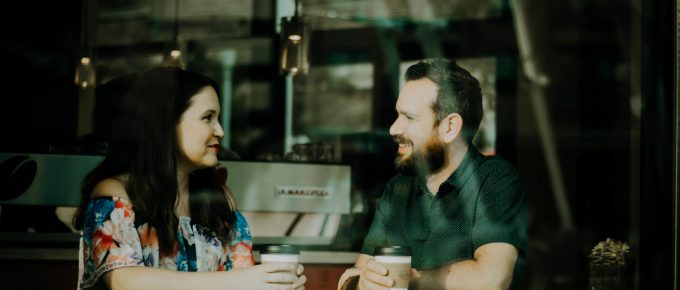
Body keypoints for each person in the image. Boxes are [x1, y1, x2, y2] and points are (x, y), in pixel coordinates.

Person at [73, 67, 307, 290]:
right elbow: (124, 281)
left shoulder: (219, 200)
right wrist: (239, 281)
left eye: (218, 118)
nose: (220, 131)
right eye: (208, 117)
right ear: (166, 125)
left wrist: (274, 283)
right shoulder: (115, 195)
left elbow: (242, 279)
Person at [337, 58, 527, 290]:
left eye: (409, 117)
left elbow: (491, 280)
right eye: (398, 115)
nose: (394, 128)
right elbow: (356, 276)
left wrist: (410, 279)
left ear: (449, 128)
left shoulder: (495, 179)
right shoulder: (399, 188)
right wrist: (362, 283)